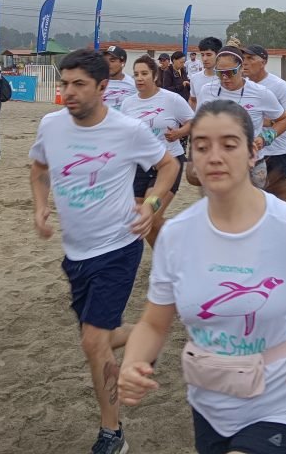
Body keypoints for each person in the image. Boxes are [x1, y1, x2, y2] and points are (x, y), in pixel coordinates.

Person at [118, 101, 286, 454]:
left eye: (229, 145)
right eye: (201, 147)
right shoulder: (176, 236)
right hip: (208, 403)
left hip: (282, 402)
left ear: (252, 153)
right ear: (191, 161)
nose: (214, 156)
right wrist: (133, 363)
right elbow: (154, 324)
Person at [30, 50, 179, 454]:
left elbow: (168, 167)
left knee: (93, 342)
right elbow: (39, 168)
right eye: (64, 84)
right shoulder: (51, 125)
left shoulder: (127, 130)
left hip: (118, 246)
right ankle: (149, 335)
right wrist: (40, 205)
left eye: (78, 84)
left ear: (102, 87)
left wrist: (150, 205)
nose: (68, 92)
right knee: (99, 336)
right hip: (75, 252)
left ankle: (112, 433)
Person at [120, 55, 193, 246]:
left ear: (154, 75)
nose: (139, 78)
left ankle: (171, 251)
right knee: (139, 220)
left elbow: (193, 122)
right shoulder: (128, 104)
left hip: (169, 163)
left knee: (150, 214)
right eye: (136, 74)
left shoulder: (172, 99)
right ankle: (166, 252)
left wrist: (179, 133)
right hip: (139, 166)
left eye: (144, 73)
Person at [192, 49, 286, 189]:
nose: (225, 78)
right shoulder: (207, 91)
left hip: (252, 163)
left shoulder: (260, 93)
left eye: (230, 72)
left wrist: (265, 137)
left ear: (241, 68)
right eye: (219, 73)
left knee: (252, 207)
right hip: (218, 161)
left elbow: (284, 120)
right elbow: (198, 124)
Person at [242, 45, 286, 203]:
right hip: (249, 154)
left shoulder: (278, 85)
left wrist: (268, 122)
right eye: (243, 58)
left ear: (263, 62)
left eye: (250, 58)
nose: (245, 62)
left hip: (276, 153)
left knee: (282, 203)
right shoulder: (242, 86)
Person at [188, 37, 222, 111]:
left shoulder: (225, 79)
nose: (205, 59)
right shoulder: (194, 78)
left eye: (209, 55)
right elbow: (193, 100)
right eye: (202, 55)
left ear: (218, 55)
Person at [99, 46, 137, 112]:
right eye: (105, 61)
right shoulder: (97, 83)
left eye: (112, 61)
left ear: (123, 62)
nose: (108, 64)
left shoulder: (133, 84)